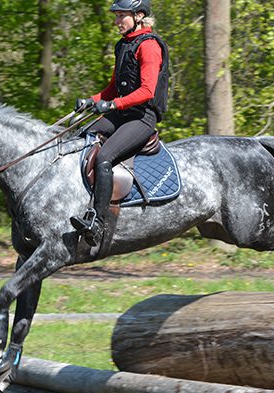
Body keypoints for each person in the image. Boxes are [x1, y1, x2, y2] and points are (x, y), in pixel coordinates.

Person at [70, 0, 169, 248]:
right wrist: (91, 101)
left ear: (138, 16)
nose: (116, 22)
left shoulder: (149, 46)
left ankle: (99, 222)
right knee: (81, 137)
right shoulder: (123, 45)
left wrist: (113, 105)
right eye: (115, 16)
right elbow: (113, 88)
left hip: (141, 117)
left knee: (104, 157)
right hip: (122, 114)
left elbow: (147, 91)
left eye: (120, 16)